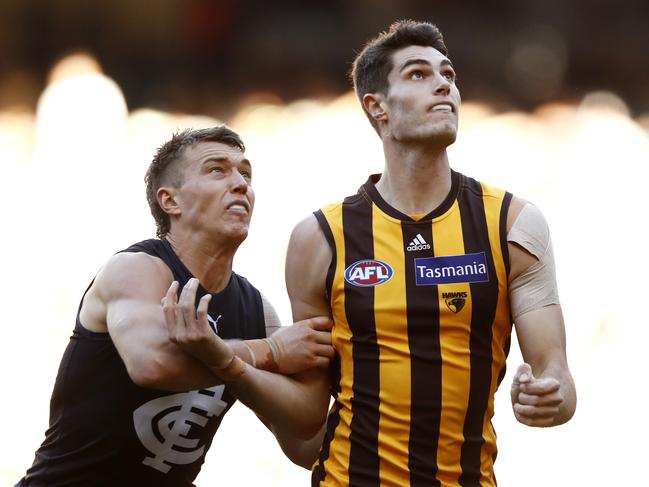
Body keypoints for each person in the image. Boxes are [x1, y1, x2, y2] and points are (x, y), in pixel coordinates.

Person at [280, 20, 577, 486]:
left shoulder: (513, 224)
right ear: (377, 107)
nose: (443, 84)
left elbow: (558, 376)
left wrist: (550, 395)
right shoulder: (320, 238)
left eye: (449, 75)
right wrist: (235, 366)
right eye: (419, 74)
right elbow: (305, 425)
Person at [17, 126, 334, 487]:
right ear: (171, 201)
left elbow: (305, 441)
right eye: (217, 170)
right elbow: (152, 364)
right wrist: (270, 351)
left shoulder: (255, 310)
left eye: (245, 173)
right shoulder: (137, 268)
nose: (241, 184)